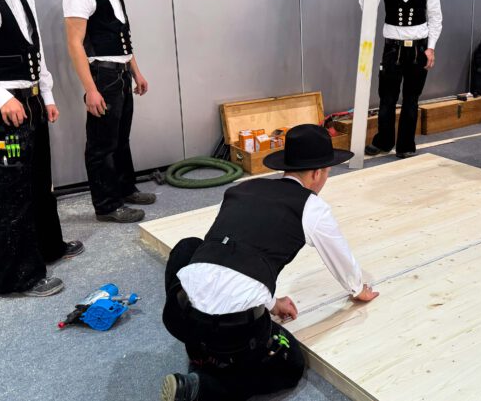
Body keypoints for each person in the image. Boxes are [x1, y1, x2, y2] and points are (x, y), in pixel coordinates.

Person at [160, 124, 379, 401]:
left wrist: (273, 304)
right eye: (327, 172)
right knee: (290, 365)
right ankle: (203, 387)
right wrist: (358, 289)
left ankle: (201, 354)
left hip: (179, 316)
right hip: (232, 334)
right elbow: (340, 256)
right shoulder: (311, 207)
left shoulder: (243, 189)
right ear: (317, 173)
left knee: (189, 247)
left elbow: (235, 257)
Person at [0, 0, 83, 297]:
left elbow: (38, 54)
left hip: (30, 102)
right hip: (6, 112)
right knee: (12, 192)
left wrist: (46, 95)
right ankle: (18, 277)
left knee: (39, 181)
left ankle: (49, 247)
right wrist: (1, 98)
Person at [63, 0, 154, 223]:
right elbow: (75, 43)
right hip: (102, 75)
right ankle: (106, 205)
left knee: (120, 138)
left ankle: (125, 188)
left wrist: (135, 71)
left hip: (120, 73)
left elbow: (121, 35)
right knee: (101, 144)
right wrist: (91, 89)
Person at [361, 0, 442, 159]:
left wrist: (431, 47)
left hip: (419, 47)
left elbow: (435, 16)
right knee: (387, 97)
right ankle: (384, 141)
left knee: (411, 99)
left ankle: (406, 145)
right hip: (393, 47)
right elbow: (366, 5)